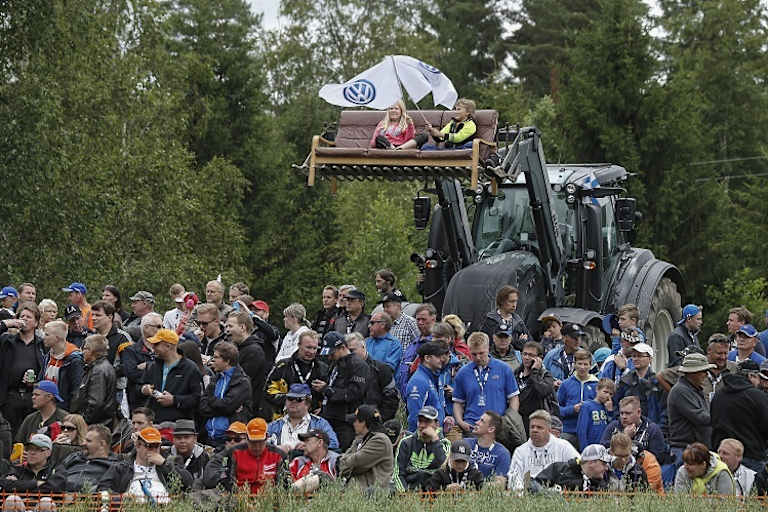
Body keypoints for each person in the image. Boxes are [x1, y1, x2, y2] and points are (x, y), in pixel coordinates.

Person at [453, 332, 520, 434]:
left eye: (481, 353)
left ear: (488, 348)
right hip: (472, 427)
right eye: (474, 354)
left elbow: (514, 398)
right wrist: (460, 422)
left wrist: (508, 421)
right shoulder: (463, 372)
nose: (478, 358)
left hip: (497, 429)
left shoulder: (504, 369)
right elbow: (458, 402)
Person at [316, 331, 371, 451]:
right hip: (330, 417)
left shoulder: (357, 365)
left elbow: (354, 393)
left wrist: (327, 390)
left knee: (342, 454)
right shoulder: (336, 363)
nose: (329, 357)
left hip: (346, 421)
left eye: (332, 353)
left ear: (342, 347)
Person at [710, 360, 768, 472]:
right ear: (751, 376)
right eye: (758, 378)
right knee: (753, 488)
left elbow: (713, 421)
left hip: (722, 456)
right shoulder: (757, 396)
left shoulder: (719, 395)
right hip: (752, 456)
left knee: (725, 489)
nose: (759, 382)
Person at [202, 417, 287, 494]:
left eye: (237, 439)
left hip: (268, 499)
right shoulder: (230, 454)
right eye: (253, 442)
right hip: (238, 497)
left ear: (267, 437)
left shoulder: (277, 454)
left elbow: (286, 484)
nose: (257, 446)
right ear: (247, 438)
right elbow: (210, 478)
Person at [110, 426, 194, 502]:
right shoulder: (122, 468)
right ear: (138, 445)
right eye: (149, 446)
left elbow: (188, 483)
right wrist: (120, 497)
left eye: (156, 446)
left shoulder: (167, 464)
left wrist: (164, 464)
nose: (153, 450)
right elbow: (103, 489)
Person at [140, 329, 202, 426]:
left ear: (168, 346)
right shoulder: (153, 366)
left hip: (179, 427)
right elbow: (138, 387)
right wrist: (144, 389)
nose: (152, 348)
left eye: (156, 344)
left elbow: (197, 398)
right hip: (155, 424)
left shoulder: (190, 368)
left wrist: (174, 400)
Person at [0, 303, 45, 433]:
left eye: (29, 317)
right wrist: (6, 324)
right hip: (9, 398)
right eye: (22, 316)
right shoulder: (6, 340)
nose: (24, 319)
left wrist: (35, 382)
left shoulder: (42, 345)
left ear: (36, 322)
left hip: (33, 398)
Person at [507, 410, 578, 490]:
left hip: (558, 496)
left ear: (549, 430)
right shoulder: (520, 451)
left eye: (539, 427)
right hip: (528, 496)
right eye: (532, 427)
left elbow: (578, 468)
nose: (535, 430)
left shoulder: (564, 446)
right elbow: (513, 479)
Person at [199, 341, 252, 446]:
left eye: (216, 357)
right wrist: (228, 410)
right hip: (209, 438)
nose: (212, 360)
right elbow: (202, 406)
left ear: (227, 361)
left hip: (230, 440)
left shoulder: (242, 382)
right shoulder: (215, 378)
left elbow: (227, 406)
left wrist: (212, 401)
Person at [42, 425, 121, 492]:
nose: (83, 443)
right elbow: (55, 478)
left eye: (88, 441)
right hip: (59, 497)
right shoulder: (73, 457)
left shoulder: (115, 465)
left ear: (102, 444)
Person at [265, 331, 328, 415]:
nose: (312, 352)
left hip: (312, 419)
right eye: (308, 347)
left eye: (314, 348)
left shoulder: (322, 368)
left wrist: (323, 407)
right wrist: (292, 399)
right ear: (299, 345)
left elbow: (329, 396)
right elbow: (268, 391)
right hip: (285, 416)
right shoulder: (283, 365)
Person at [667, 353, 714, 466]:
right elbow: (701, 417)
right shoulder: (681, 391)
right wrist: (722, 416)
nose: (706, 375)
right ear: (692, 373)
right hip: (685, 449)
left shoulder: (695, 390)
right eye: (703, 371)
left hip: (695, 449)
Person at [266, 383, 339, 454]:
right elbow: (261, 447)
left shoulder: (320, 424)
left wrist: (308, 447)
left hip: (308, 464)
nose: (293, 402)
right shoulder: (274, 426)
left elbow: (334, 446)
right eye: (290, 398)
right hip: (280, 464)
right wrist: (276, 449)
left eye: (299, 399)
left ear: (308, 403)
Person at [393, 406, 451, 491]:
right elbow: (398, 474)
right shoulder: (406, 442)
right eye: (420, 421)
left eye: (427, 421)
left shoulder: (445, 443)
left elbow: (446, 469)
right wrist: (404, 494)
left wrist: (435, 440)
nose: (422, 425)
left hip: (435, 492)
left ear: (436, 424)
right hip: (410, 491)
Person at [346, 333, 400, 421]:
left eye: (352, 350)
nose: (349, 354)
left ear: (363, 347)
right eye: (347, 351)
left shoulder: (382, 370)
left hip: (374, 424)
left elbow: (391, 400)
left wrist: (378, 420)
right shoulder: (342, 370)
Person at [599, 396, 667, 464]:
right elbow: (602, 452)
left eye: (628, 413)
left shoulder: (652, 429)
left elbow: (658, 458)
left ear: (639, 412)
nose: (624, 417)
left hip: (643, 471)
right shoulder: (613, 426)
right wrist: (624, 437)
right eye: (621, 413)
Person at [338, 405, 394, 490]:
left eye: (355, 421)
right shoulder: (360, 439)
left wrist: (344, 463)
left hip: (374, 493)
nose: (353, 424)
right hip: (358, 491)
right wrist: (343, 462)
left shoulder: (380, 440)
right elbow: (343, 461)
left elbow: (355, 462)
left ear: (363, 422)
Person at [225, 311, 267, 419]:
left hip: (246, 412)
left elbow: (242, 382)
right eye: (226, 326)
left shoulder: (254, 351)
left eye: (230, 326)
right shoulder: (236, 348)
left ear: (243, 327)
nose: (227, 330)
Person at [71, 334, 117, 427]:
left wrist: (83, 421)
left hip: (96, 424)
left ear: (93, 351)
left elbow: (96, 403)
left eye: (85, 348)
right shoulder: (98, 367)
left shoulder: (98, 370)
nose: (82, 351)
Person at [533, 443, 619, 492]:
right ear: (591, 462)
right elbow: (533, 484)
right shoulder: (560, 469)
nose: (607, 468)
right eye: (604, 463)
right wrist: (549, 494)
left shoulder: (607, 479)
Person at [557, 349, 598, 450]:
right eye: (579, 364)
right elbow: (556, 409)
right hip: (569, 431)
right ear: (574, 364)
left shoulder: (597, 385)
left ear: (590, 365)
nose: (582, 367)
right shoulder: (566, 384)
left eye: (585, 364)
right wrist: (572, 409)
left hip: (590, 431)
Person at [400, 98, 478, 151]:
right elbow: (440, 138)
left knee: (470, 144)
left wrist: (441, 134)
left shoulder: (470, 125)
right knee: (426, 147)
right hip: (448, 150)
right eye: (455, 109)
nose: (455, 111)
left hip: (461, 149)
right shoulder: (453, 122)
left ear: (468, 112)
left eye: (459, 109)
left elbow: (458, 138)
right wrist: (433, 132)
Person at [614, 342, 663, 424]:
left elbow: (663, 409)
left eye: (640, 356)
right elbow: (616, 405)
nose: (636, 359)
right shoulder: (625, 381)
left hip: (652, 428)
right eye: (634, 356)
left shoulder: (657, 382)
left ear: (650, 358)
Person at [39, 320, 83, 411]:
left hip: (63, 410)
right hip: (45, 407)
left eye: (47, 335)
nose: (43, 337)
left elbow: (76, 392)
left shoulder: (74, 360)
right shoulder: (48, 356)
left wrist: (71, 414)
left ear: (57, 338)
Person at [515, 341, 557, 434]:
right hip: (517, 423)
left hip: (536, 423)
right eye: (524, 354)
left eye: (531, 355)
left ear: (539, 358)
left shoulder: (546, 375)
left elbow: (542, 391)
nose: (526, 358)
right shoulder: (516, 374)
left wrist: (534, 372)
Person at [120, 313, 160, 412]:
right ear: (146, 328)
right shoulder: (131, 350)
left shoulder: (164, 348)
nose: (162, 329)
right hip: (140, 404)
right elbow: (132, 374)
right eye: (158, 326)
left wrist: (147, 365)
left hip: (161, 401)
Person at [396, 303, 437, 397]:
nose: (420, 322)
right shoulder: (413, 344)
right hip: (407, 396)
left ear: (433, 319)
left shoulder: (437, 344)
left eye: (424, 319)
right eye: (418, 319)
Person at [405, 342, 448, 432]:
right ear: (427, 358)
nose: (442, 359)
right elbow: (415, 415)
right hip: (424, 438)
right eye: (438, 356)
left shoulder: (433, 377)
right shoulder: (418, 381)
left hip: (434, 436)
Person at [464, 411, 510, 486]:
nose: (476, 422)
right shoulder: (465, 443)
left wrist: (479, 488)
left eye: (482, 421)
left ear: (491, 429)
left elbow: (500, 483)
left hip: (485, 494)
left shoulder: (502, 453)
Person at [288, 430, 340, 495]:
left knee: (323, 478)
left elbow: (342, 488)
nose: (303, 444)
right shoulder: (298, 462)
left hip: (328, 502)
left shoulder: (336, 461)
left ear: (320, 443)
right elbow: (285, 485)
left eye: (307, 440)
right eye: (303, 441)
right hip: (300, 502)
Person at [477, 286, 528, 351]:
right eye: (511, 301)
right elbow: (485, 344)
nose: (514, 305)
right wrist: (517, 343)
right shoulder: (490, 321)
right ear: (502, 301)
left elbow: (529, 344)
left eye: (515, 301)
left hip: (515, 359)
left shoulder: (518, 322)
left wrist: (522, 343)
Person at [576, 378, 615, 450]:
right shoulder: (587, 406)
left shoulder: (608, 407)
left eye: (610, 394)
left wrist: (610, 411)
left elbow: (612, 428)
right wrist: (584, 449)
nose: (608, 396)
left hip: (604, 448)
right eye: (605, 392)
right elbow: (581, 430)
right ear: (597, 389)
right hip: (590, 446)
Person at [90, 300, 131, 365]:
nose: (93, 318)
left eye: (98, 315)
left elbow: (127, 364)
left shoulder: (122, 337)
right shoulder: (90, 337)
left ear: (110, 317)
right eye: (92, 315)